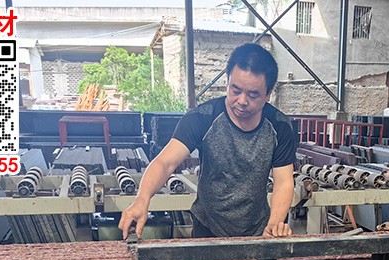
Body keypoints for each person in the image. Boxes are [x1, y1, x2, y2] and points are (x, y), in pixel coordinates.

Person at [118, 43, 297, 239]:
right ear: (227, 82)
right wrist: (142, 199)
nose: (242, 101)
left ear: (268, 94)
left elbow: (283, 182)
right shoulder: (202, 118)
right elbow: (165, 162)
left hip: (258, 229)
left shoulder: (280, 126)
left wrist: (275, 223)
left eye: (253, 95)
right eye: (235, 90)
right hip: (207, 227)